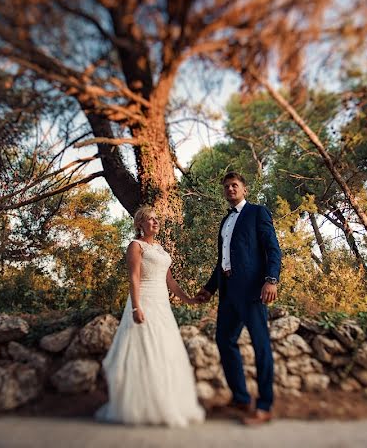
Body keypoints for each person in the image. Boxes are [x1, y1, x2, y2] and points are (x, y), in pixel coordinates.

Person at [96, 206, 205, 427]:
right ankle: (139, 407)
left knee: (164, 351)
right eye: (150, 220)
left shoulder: (161, 249)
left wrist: (189, 299)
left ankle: (165, 402)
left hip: (162, 305)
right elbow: (134, 278)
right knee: (143, 349)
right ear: (140, 225)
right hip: (144, 300)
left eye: (156, 219)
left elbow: (170, 282)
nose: (155, 222)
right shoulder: (136, 246)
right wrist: (136, 308)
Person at [195, 171, 282, 425]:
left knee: (260, 345)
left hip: (253, 291)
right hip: (228, 292)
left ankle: (264, 405)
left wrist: (271, 279)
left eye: (234, 185)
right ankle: (241, 397)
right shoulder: (225, 222)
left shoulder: (257, 212)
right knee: (224, 339)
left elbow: (272, 249)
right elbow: (222, 261)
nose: (230, 189)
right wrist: (210, 288)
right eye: (227, 187)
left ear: (244, 189)